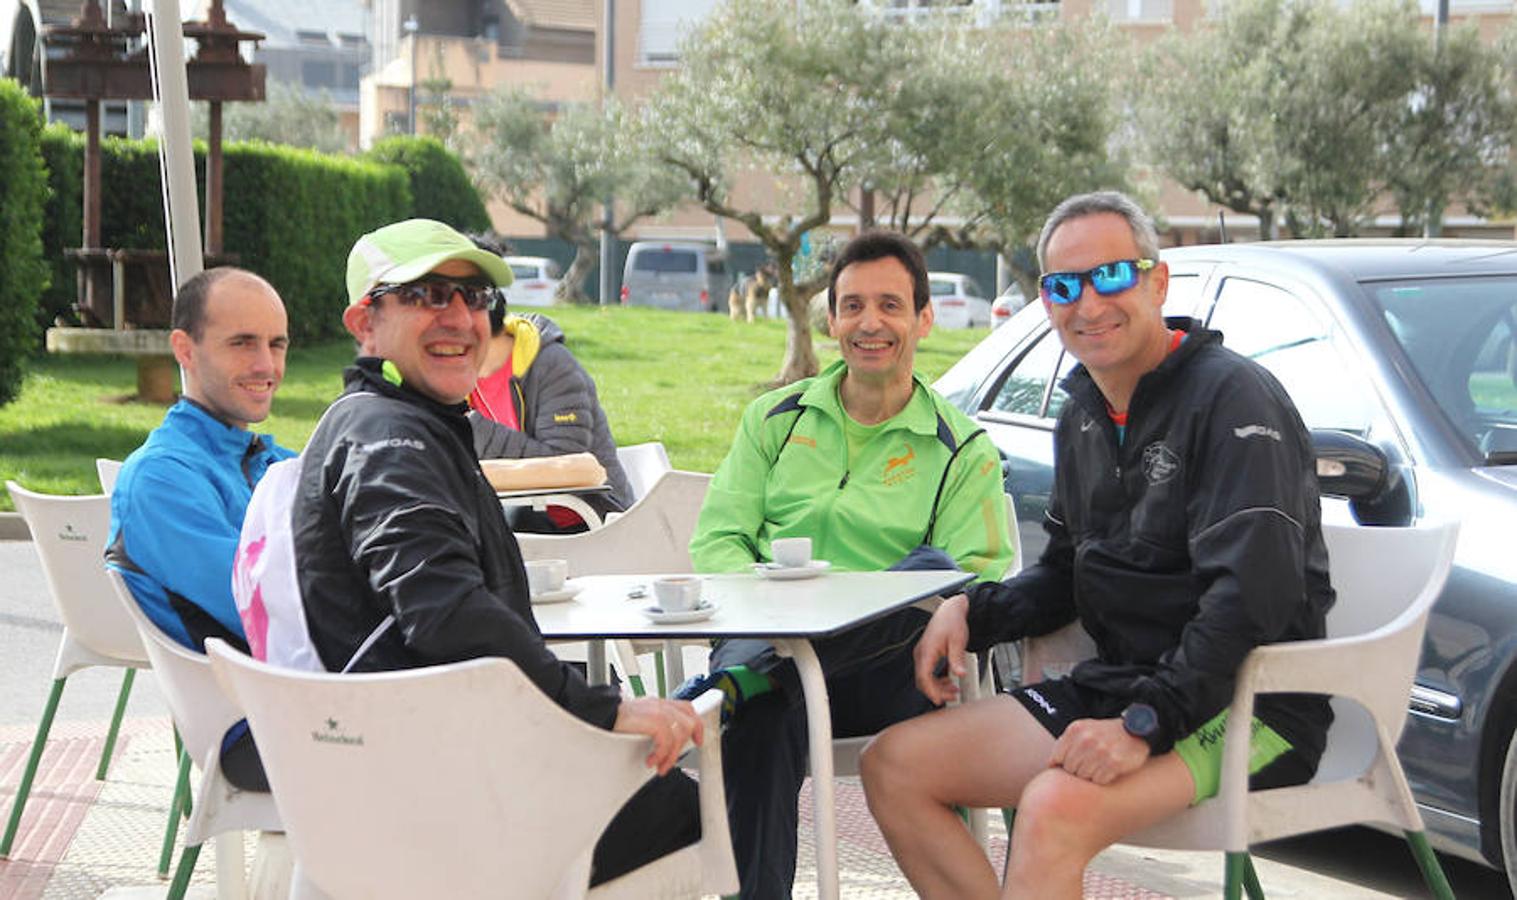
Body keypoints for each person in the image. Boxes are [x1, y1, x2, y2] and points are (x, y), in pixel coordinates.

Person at [858, 191, 1335, 898]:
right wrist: (973, 612)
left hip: (1250, 703)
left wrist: (1143, 725)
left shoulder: (1235, 399)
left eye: (1110, 276)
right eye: (1061, 286)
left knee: (1053, 806)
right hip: (1125, 686)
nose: (1087, 304)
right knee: (893, 765)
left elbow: (1248, 600)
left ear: (1156, 281)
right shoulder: (1082, 412)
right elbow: (1065, 572)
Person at [291, 218, 701, 885]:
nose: (458, 316)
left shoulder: (389, 421)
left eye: (476, 297)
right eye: (427, 294)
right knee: (708, 801)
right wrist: (603, 710)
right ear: (365, 322)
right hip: (448, 803)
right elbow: (447, 614)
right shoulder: (390, 440)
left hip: (421, 769)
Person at [683, 230, 1016, 898]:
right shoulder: (770, 421)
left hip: (887, 677)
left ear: (923, 318)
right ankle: (756, 679)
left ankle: (737, 685)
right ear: (829, 319)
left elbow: (971, 583)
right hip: (766, 638)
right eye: (853, 306)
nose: (870, 323)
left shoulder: (962, 448)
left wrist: (817, 632)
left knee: (932, 567)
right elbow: (716, 544)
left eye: (890, 305)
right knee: (763, 711)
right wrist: (776, 611)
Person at [106, 266, 294, 791]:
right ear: (185, 349)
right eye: (242, 343)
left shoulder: (266, 459)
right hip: (257, 732)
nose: (266, 365)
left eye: (276, 344)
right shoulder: (161, 480)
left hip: (304, 704)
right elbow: (272, 615)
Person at [469, 295, 633, 532]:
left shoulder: (552, 364)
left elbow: (566, 463)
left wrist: (470, 427)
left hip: (588, 520)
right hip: (507, 512)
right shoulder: (452, 377)